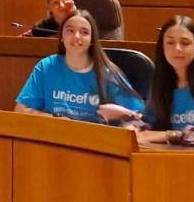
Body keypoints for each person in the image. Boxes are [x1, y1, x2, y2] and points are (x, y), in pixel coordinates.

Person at [14, 10, 143, 122]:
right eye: (70, 30)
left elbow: (139, 116)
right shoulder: (47, 66)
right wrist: (55, 119)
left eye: (84, 32)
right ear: (62, 36)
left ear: (92, 40)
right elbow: (21, 109)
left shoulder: (107, 73)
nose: (76, 37)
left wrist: (124, 114)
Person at [136, 15, 194, 146]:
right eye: (170, 42)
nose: (177, 49)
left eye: (185, 43)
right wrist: (135, 128)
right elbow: (149, 121)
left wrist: (171, 135)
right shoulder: (162, 83)